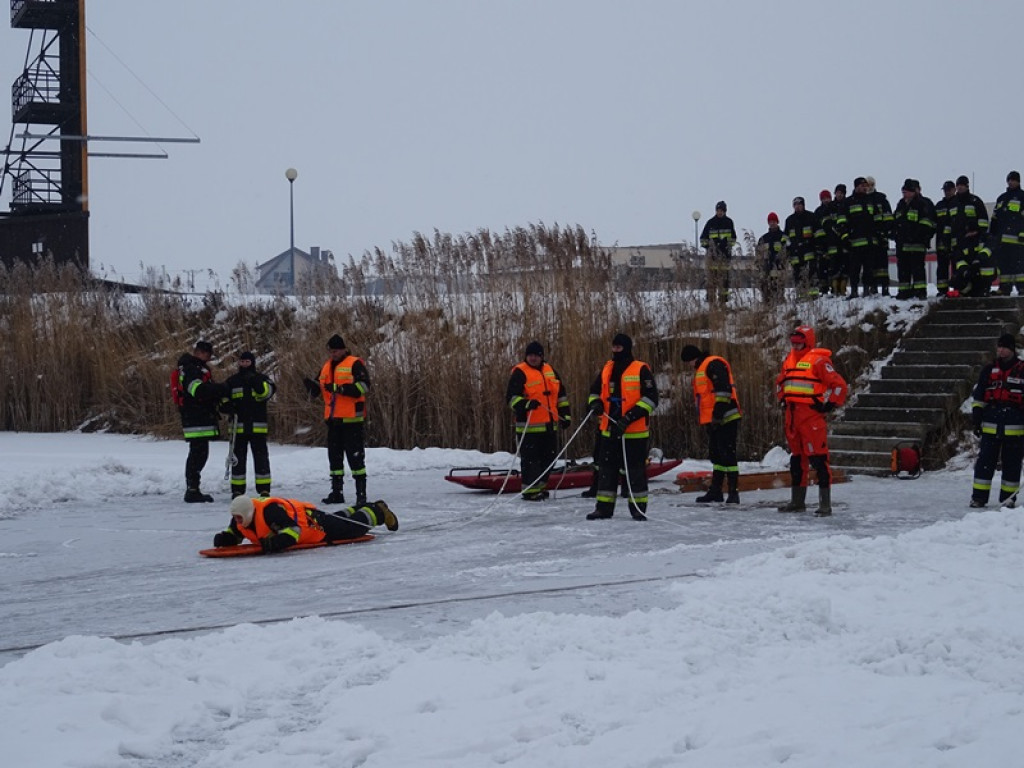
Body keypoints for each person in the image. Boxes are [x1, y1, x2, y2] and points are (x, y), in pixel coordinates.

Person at [775, 325, 848, 516]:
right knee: (797, 460)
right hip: (792, 417)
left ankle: (825, 504)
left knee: (818, 459)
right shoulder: (789, 359)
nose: (795, 346)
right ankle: (797, 502)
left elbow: (839, 385)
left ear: (807, 342)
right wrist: (782, 399)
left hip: (811, 417)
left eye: (799, 343)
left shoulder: (819, 361)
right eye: (793, 343)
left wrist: (829, 405)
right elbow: (781, 383)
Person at [585, 333, 659, 521]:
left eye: (619, 347)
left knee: (635, 472)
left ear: (626, 348)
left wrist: (629, 417)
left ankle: (638, 508)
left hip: (633, 431)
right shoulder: (607, 368)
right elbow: (594, 392)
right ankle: (603, 508)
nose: (615, 350)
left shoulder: (641, 369)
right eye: (614, 347)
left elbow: (651, 398)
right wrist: (595, 404)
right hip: (609, 429)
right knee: (606, 469)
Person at [303, 334, 371, 506]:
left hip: (351, 421)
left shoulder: (355, 363)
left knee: (356, 459)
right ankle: (337, 492)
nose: (333, 354)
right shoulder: (326, 367)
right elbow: (319, 388)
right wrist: (311, 387)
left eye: (336, 351)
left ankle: (361, 495)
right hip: (333, 421)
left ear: (343, 349)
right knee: (335, 459)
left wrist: (340, 389)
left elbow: (363, 387)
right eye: (331, 351)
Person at [212, 495, 398, 553]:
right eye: (235, 518)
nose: (236, 521)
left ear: (248, 513)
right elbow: (234, 534)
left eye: (238, 518)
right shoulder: (241, 518)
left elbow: (293, 531)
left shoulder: (270, 513)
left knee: (352, 528)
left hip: (314, 525)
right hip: (313, 522)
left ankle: (378, 512)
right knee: (338, 519)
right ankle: (363, 506)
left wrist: (276, 543)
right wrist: (224, 539)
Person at [506, 340, 571, 501]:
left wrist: (566, 415)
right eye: (530, 355)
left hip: (549, 426)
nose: (533, 358)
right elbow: (511, 398)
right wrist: (526, 404)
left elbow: (561, 396)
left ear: (542, 356)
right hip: (529, 428)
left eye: (536, 355)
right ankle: (530, 491)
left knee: (549, 458)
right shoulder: (520, 372)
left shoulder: (551, 371)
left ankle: (541, 487)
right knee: (531, 462)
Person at [680, 344, 742, 504]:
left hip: (725, 417)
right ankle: (716, 490)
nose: (689, 366)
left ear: (693, 358)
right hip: (714, 420)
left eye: (688, 362)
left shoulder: (713, 364)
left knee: (728, 455)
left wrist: (717, 414)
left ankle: (733, 492)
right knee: (717, 455)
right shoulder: (703, 368)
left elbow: (723, 391)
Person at [969, 334, 1024, 508]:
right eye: (999, 347)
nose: (1000, 350)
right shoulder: (988, 370)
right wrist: (976, 418)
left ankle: (1008, 499)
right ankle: (978, 497)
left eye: (1004, 347)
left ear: (1012, 349)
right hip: (991, 425)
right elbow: (979, 397)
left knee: (1012, 465)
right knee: (985, 464)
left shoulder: (1022, 369)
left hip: (1015, 427)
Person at [174, 339, 229, 503]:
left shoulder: (196, 368)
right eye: (207, 354)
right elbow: (197, 390)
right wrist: (222, 389)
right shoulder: (191, 369)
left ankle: (193, 488)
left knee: (199, 453)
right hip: (195, 416)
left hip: (199, 416)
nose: (209, 357)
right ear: (200, 352)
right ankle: (192, 489)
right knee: (198, 454)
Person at [223, 351, 277, 498]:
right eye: (242, 362)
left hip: (257, 428)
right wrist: (226, 406)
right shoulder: (232, 381)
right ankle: (237, 490)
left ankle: (264, 489)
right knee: (238, 460)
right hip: (237, 428)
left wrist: (255, 382)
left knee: (261, 459)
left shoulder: (262, 379)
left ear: (252, 363)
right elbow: (222, 397)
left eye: (247, 362)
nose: (244, 364)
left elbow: (267, 393)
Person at [892, 178, 936, 299]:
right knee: (903, 270)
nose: (904, 194)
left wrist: (919, 236)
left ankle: (920, 292)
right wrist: (895, 235)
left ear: (914, 191)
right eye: (903, 192)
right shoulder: (901, 204)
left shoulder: (923, 204)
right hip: (902, 244)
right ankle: (904, 292)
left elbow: (928, 223)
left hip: (917, 244)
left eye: (906, 192)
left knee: (917, 270)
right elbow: (895, 221)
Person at [835, 177, 877, 299]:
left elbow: (876, 219)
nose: (864, 188)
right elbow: (841, 222)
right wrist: (845, 238)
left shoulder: (870, 201)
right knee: (854, 269)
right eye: (862, 185)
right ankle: (854, 291)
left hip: (869, 242)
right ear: (856, 186)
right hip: (854, 243)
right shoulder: (847, 202)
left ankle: (866, 290)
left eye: (866, 186)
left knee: (869, 269)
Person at [990, 171, 1024, 296]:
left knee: (1019, 266)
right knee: (1004, 266)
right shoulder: (1002, 198)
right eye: (1009, 180)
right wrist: (992, 234)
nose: (1011, 182)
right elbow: (995, 218)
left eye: (1013, 180)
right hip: (1002, 240)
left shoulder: (1022, 197)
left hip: (1018, 240)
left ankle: (1022, 288)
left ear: (1018, 181)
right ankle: (1005, 288)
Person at [699, 201, 737, 304]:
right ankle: (711, 301)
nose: (719, 212)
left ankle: (723, 301)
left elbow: (733, 239)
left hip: (725, 257)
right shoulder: (710, 223)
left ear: (725, 211)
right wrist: (710, 246)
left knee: (724, 281)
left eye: (721, 210)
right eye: (718, 210)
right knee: (711, 281)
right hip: (712, 258)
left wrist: (726, 245)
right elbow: (702, 239)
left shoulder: (729, 222)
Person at [784, 196, 819, 298]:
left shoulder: (811, 217)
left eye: (799, 204)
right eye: (795, 205)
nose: (797, 207)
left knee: (811, 274)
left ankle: (813, 295)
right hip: (795, 254)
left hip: (809, 251)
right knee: (798, 276)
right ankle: (801, 295)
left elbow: (818, 233)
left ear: (803, 205)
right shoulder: (789, 220)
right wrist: (787, 252)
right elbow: (786, 238)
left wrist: (817, 247)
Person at [865, 176, 894, 295]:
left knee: (882, 265)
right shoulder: (862, 199)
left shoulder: (881, 199)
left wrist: (885, 231)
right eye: (867, 185)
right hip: (869, 237)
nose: (869, 187)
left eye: (871, 184)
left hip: (881, 236)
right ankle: (873, 287)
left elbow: (888, 217)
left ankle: (885, 288)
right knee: (870, 264)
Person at [949, 174, 989, 256]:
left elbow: (984, 221)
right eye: (958, 185)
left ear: (967, 186)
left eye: (962, 185)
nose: (960, 187)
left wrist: (977, 232)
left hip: (973, 243)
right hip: (957, 244)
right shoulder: (952, 203)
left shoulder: (975, 201)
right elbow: (948, 223)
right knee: (958, 267)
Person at [756, 211, 786, 302]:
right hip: (766, 268)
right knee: (765, 289)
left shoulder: (783, 237)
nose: (772, 223)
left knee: (778, 288)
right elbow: (758, 254)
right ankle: (767, 305)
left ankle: (779, 303)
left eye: (774, 221)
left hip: (779, 267)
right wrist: (760, 265)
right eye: (770, 221)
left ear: (777, 222)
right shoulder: (763, 238)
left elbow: (787, 251)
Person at [933, 180, 957, 296]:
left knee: (957, 266)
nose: (947, 192)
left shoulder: (958, 203)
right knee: (942, 268)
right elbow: (934, 223)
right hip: (942, 242)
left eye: (949, 190)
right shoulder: (939, 206)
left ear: (954, 190)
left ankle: (957, 289)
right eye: (945, 190)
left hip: (956, 242)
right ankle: (942, 290)